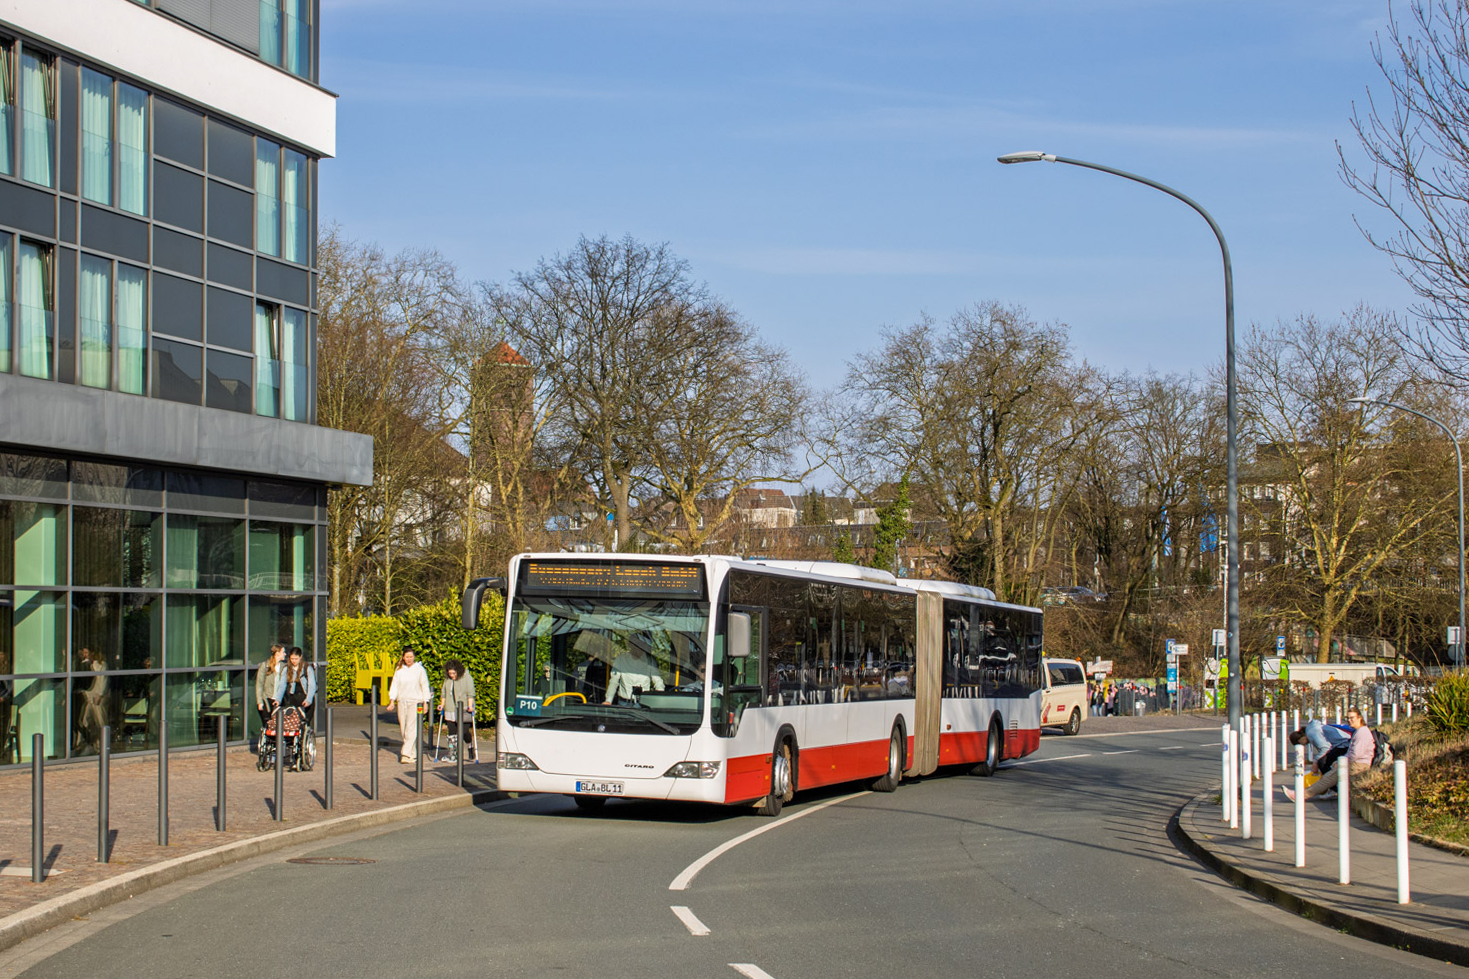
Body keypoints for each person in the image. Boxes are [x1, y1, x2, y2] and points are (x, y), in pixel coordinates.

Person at [1284, 708, 1373, 801]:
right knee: (1328, 777)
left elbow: (1355, 754)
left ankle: (1300, 795)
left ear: (1359, 717)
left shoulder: (1362, 733)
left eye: (1352, 718)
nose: (1349, 720)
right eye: (1347, 718)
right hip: (1355, 763)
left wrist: (1341, 762)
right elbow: (1352, 753)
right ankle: (1303, 794)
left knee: (1327, 778)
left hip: (1358, 765)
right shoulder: (1359, 732)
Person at [387, 647, 431, 763]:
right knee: (404, 728)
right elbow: (394, 685)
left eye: (411, 657)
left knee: (411, 728)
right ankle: (412, 754)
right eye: (407, 657)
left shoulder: (419, 670)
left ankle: (405, 754)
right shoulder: (399, 670)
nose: (409, 659)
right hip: (402, 701)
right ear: (403, 657)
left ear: (414, 657)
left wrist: (425, 702)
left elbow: (424, 685)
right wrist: (392, 700)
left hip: (415, 702)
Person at [604, 636, 665, 704]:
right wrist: (608, 700)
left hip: (643, 704)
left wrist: (661, 699)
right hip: (624, 703)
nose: (637, 648)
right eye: (635, 645)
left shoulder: (650, 661)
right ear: (630, 645)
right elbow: (614, 681)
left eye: (640, 645)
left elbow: (658, 681)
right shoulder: (621, 659)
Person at [439, 659, 476, 761]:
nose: (452, 675)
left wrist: (470, 706)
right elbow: (444, 693)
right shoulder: (447, 680)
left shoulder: (467, 677)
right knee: (452, 733)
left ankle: (470, 744)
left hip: (463, 709)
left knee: (463, 732)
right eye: (450, 673)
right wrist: (442, 705)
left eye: (453, 673)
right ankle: (453, 754)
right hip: (450, 709)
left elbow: (470, 693)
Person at [274, 646, 316, 713]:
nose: (294, 661)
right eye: (292, 659)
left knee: (305, 719)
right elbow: (282, 685)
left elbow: (312, 686)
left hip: (305, 697)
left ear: (300, 657)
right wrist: (278, 699)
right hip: (293, 699)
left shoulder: (307, 668)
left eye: (296, 659)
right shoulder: (286, 669)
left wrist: (308, 700)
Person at [255, 644, 285, 731]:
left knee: (279, 726)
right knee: (268, 725)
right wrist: (259, 702)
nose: (285, 654)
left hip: (279, 700)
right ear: (277, 653)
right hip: (267, 699)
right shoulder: (265, 666)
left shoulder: (284, 667)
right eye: (283, 652)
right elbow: (259, 685)